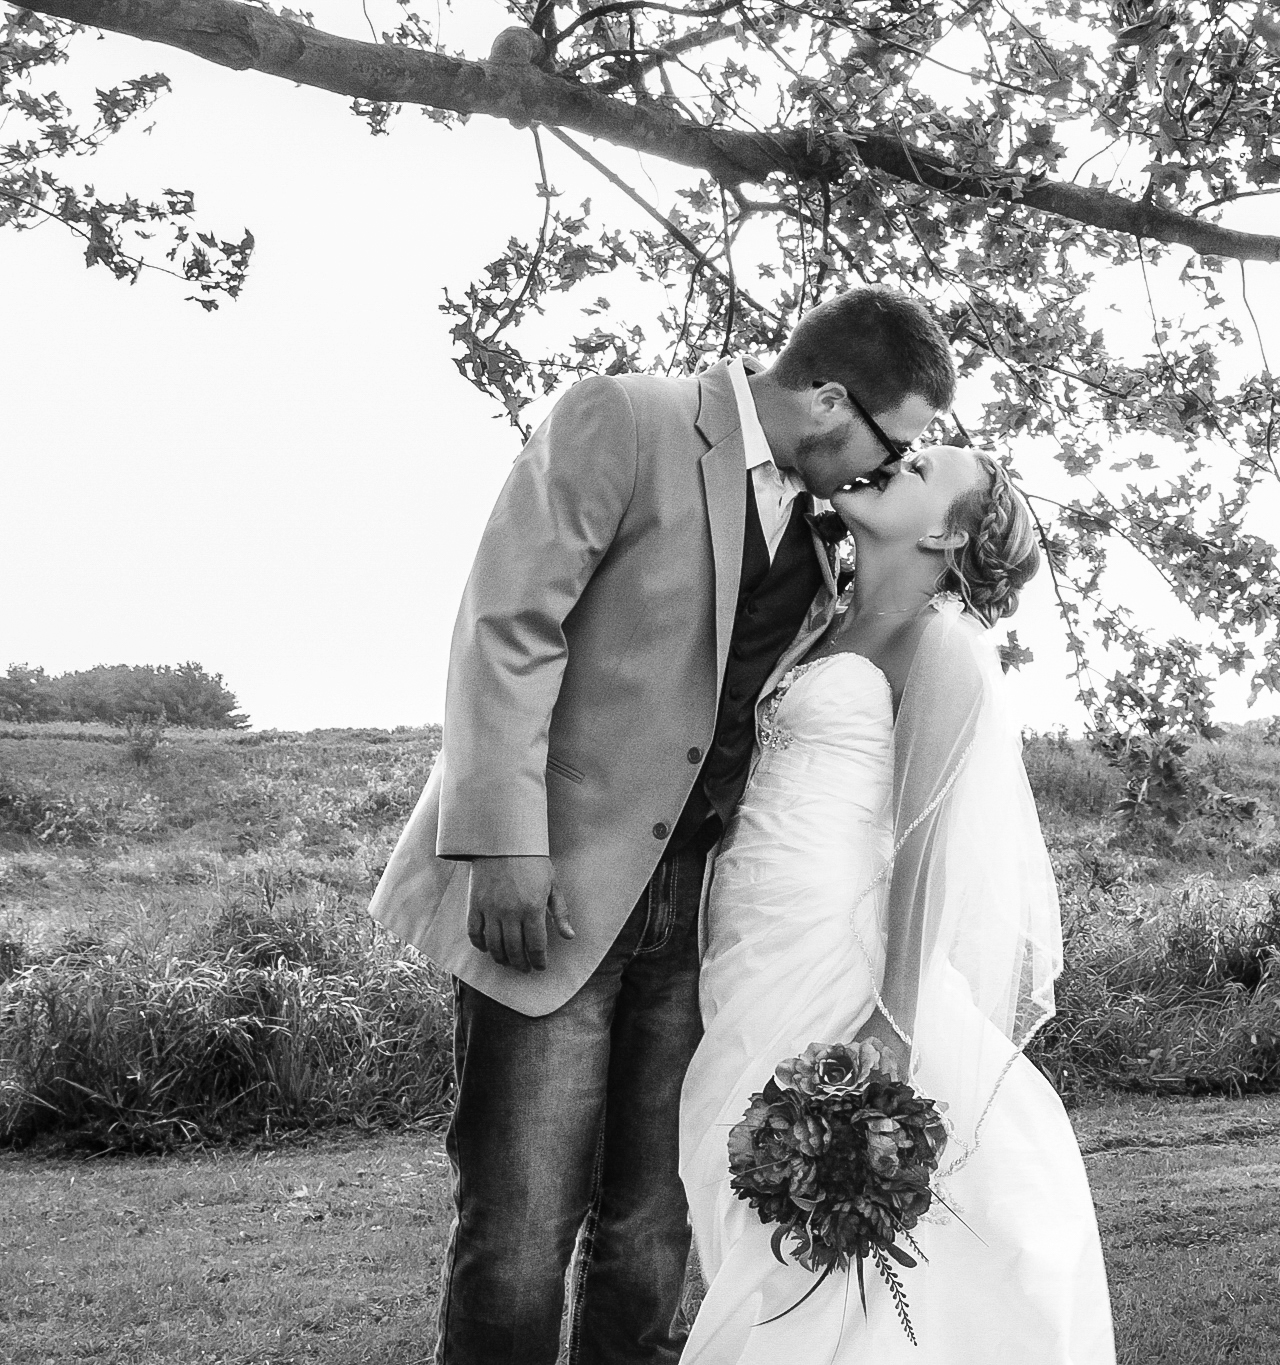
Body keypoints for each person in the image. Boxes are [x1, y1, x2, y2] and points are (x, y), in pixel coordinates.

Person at [366, 286, 957, 1365]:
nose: (883, 471)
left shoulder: (826, 530)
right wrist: (501, 844)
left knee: (653, 1225)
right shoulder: (623, 418)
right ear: (829, 398)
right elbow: (505, 627)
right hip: (555, 886)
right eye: (888, 442)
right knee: (520, 1226)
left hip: (701, 919)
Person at [675, 445, 1118, 1362]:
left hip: (841, 945)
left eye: (920, 471)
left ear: (945, 530)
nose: (893, 464)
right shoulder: (817, 620)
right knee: (742, 1175)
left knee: (818, 1218)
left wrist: (896, 1010)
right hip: (754, 930)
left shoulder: (941, 642)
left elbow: (923, 838)